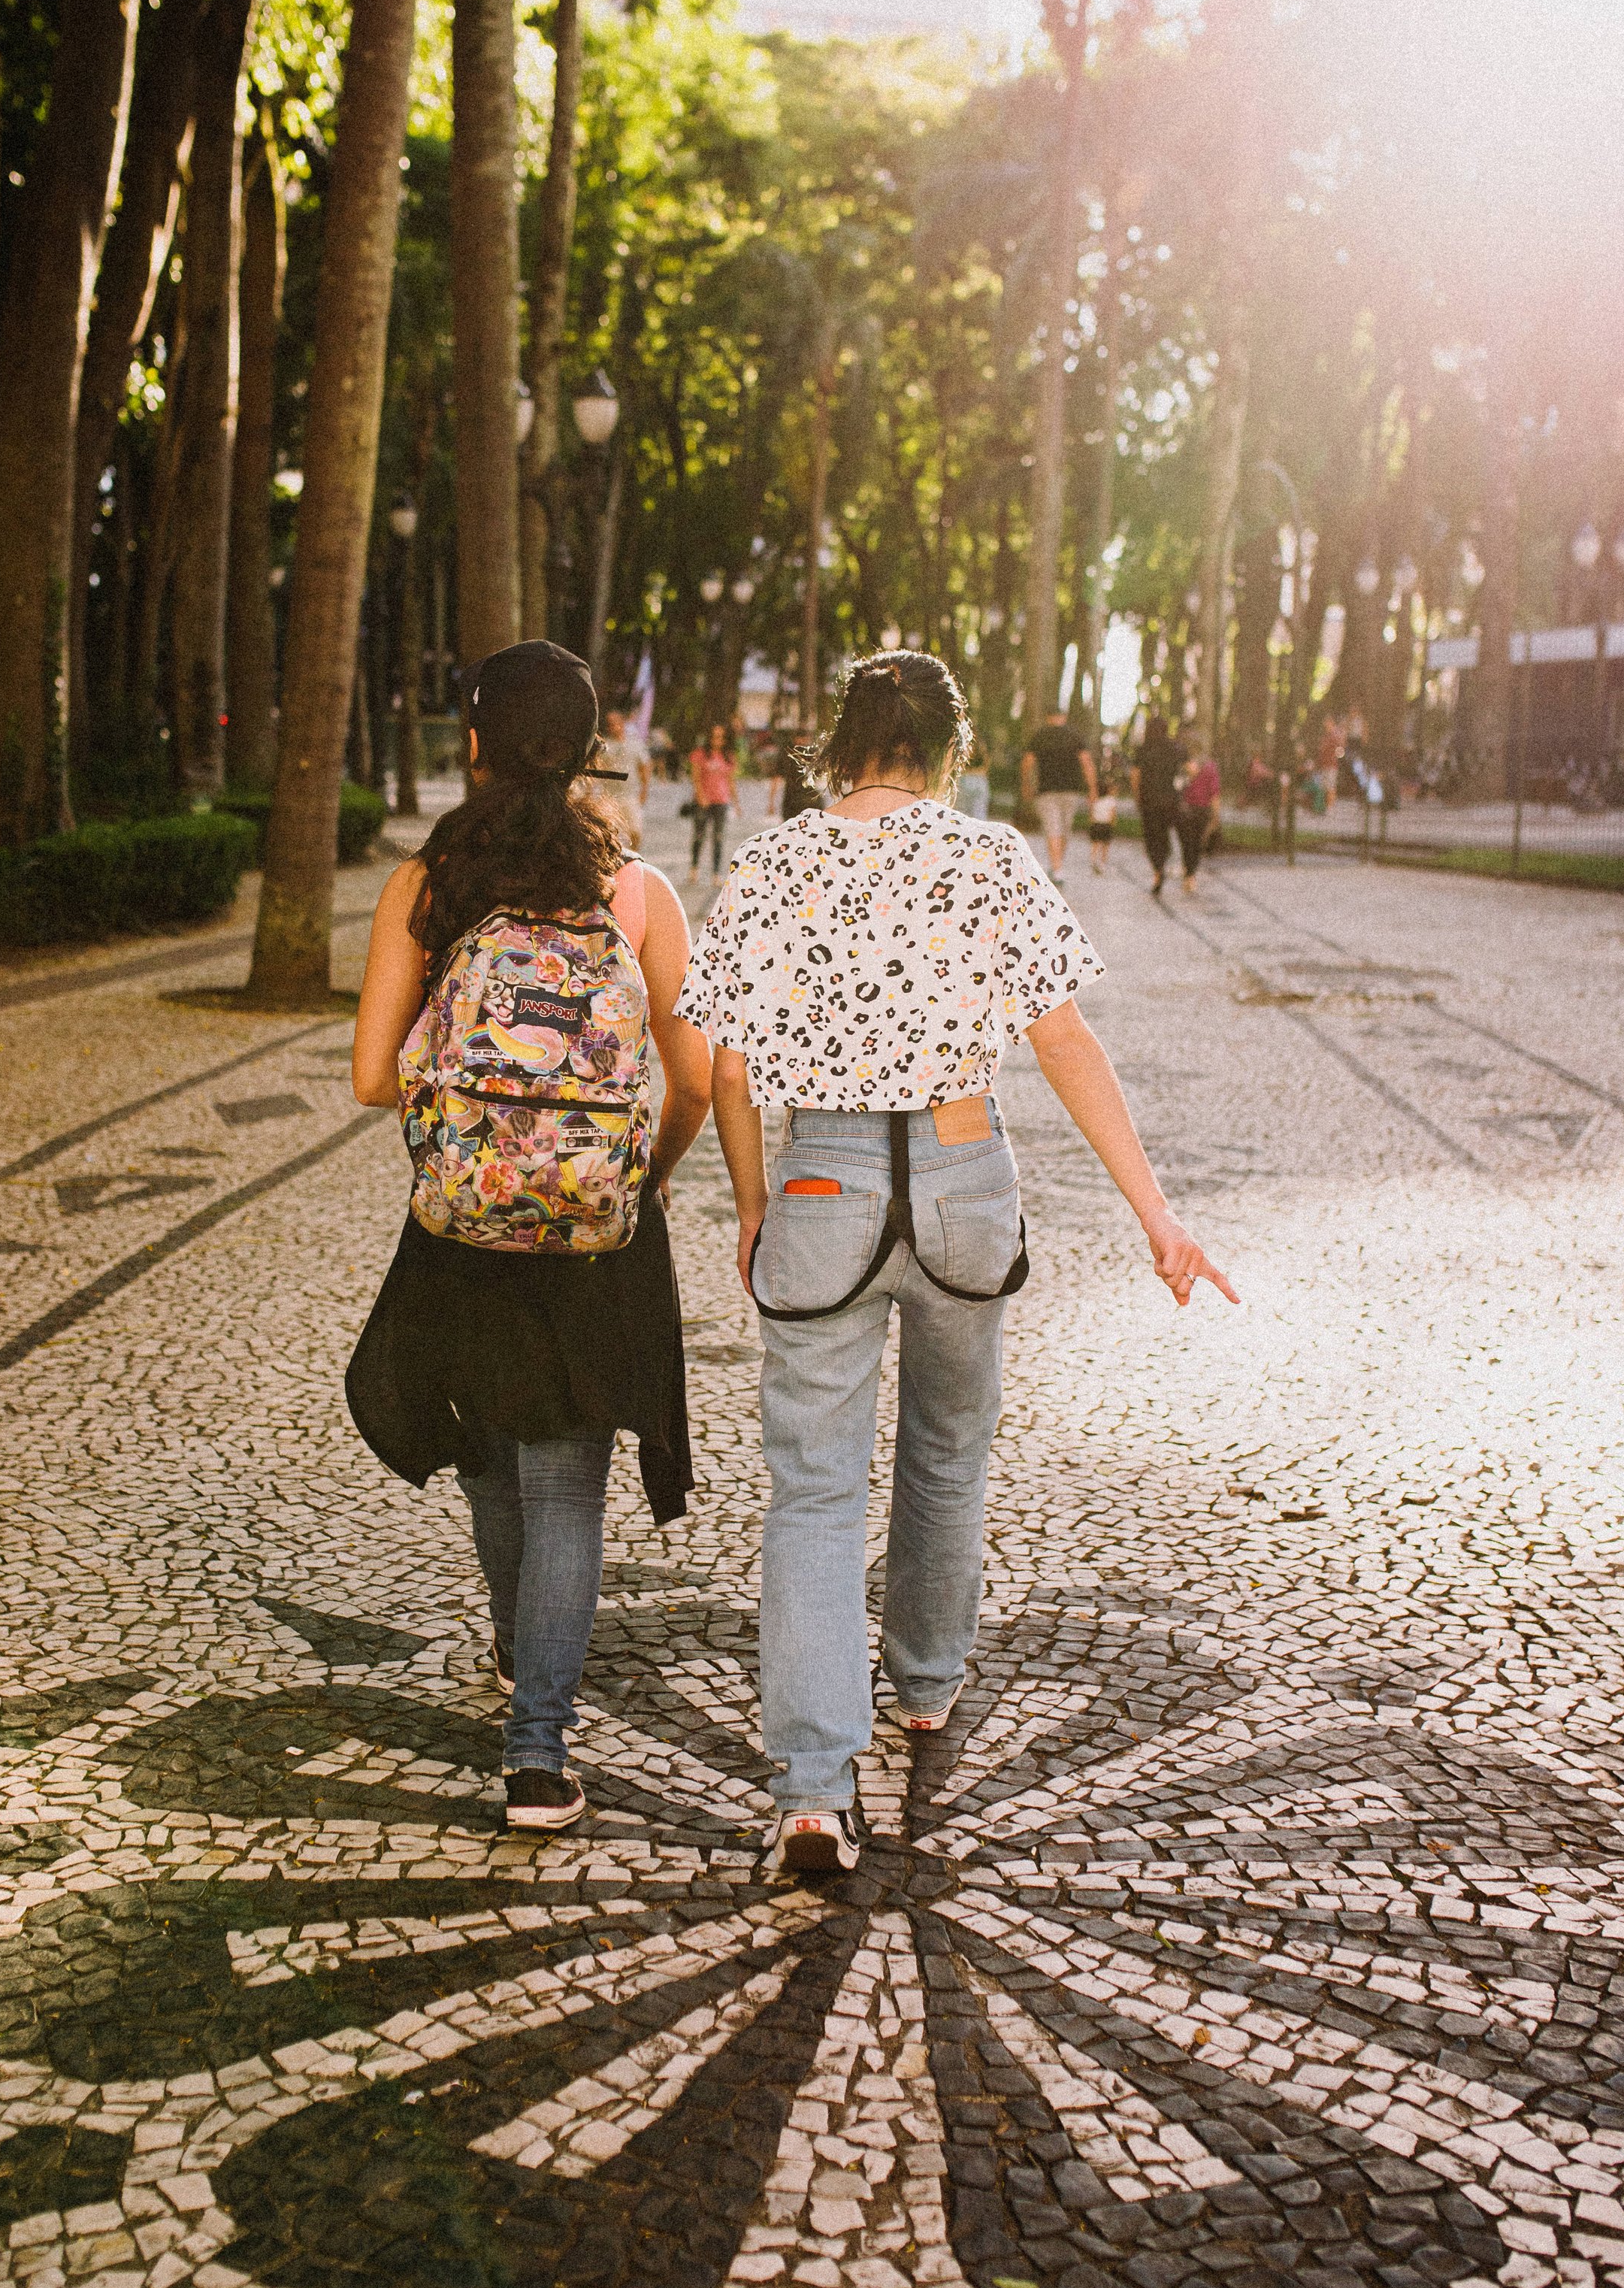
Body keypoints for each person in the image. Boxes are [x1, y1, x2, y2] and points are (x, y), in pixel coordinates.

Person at [677, 651, 1237, 1876]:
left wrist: (755, 1203)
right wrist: (1157, 1216)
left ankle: (815, 1790)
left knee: (815, 1492)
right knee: (946, 1453)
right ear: (946, 752)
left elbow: (721, 1062)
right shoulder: (989, 858)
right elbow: (1066, 1039)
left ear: (842, 743)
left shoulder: (777, 860)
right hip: (964, 1177)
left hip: (822, 1181)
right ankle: (925, 1685)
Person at [346, 641, 712, 1833]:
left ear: (474, 745)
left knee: (493, 1451)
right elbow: (699, 1077)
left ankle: (516, 1641)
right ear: (589, 747)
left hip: (464, 1224)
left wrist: (477, 1112)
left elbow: (367, 1075)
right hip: (598, 1231)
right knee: (568, 1480)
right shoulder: (640, 893)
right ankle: (539, 1756)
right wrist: (636, 1172)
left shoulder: (430, 879)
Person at [1021, 710, 1097, 879]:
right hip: (1071, 791)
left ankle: (1057, 867)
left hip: (1046, 791)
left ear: (1049, 718)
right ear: (1064, 717)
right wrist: (1092, 789)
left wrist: (1026, 785)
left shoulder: (1040, 736)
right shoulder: (1075, 736)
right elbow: (1087, 763)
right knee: (1064, 829)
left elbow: (1027, 763)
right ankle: (1057, 867)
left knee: (1052, 828)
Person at [1133, 714, 1179, 896]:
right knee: (1164, 832)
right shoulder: (1174, 748)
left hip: (1149, 799)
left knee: (1152, 835)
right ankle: (1164, 859)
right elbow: (1188, 769)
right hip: (1170, 798)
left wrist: (1137, 796)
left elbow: (1135, 775)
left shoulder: (1143, 750)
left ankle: (1158, 868)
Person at [593, 705, 651, 849]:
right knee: (611, 833)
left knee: (636, 831)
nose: (613, 727)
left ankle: (634, 856)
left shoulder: (635, 743)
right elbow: (598, 767)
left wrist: (644, 789)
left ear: (622, 723)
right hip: (611, 796)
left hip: (631, 795)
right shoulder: (604, 746)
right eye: (610, 724)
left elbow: (644, 766)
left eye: (616, 723)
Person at [688, 721, 739, 877]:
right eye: (715, 737)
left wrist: (736, 803)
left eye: (721, 737)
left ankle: (716, 872)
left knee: (718, 837)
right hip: (704, 801)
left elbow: (731, 782)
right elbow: (695, 778)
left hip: (721, 801)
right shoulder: (700, 754)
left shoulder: (728, 757)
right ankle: (694, 868)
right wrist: (700, 796)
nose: (718, 740)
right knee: (699, 835)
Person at [1175, 746, 1221, 895]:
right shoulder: (1210, 767)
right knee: (1195, 844)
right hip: (1201, 810)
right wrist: (1215, 815)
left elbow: (1177, 786)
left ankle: (1188, 873)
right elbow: (1214, 792)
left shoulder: (1184, 766)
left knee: (1187, 843)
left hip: (1185, 809)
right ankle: (1191, 875)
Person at [1087, 744, 1119, 874]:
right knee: (1105, 845)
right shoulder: (1111, 801)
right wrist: (1113, 821)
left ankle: (1094, 860)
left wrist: (1091, 820)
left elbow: (1091, 812)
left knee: (1095, 843)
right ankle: (1103, 862)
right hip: (1106, 825)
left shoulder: (1096, 801)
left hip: (1096, 824)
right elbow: (1112, 813)